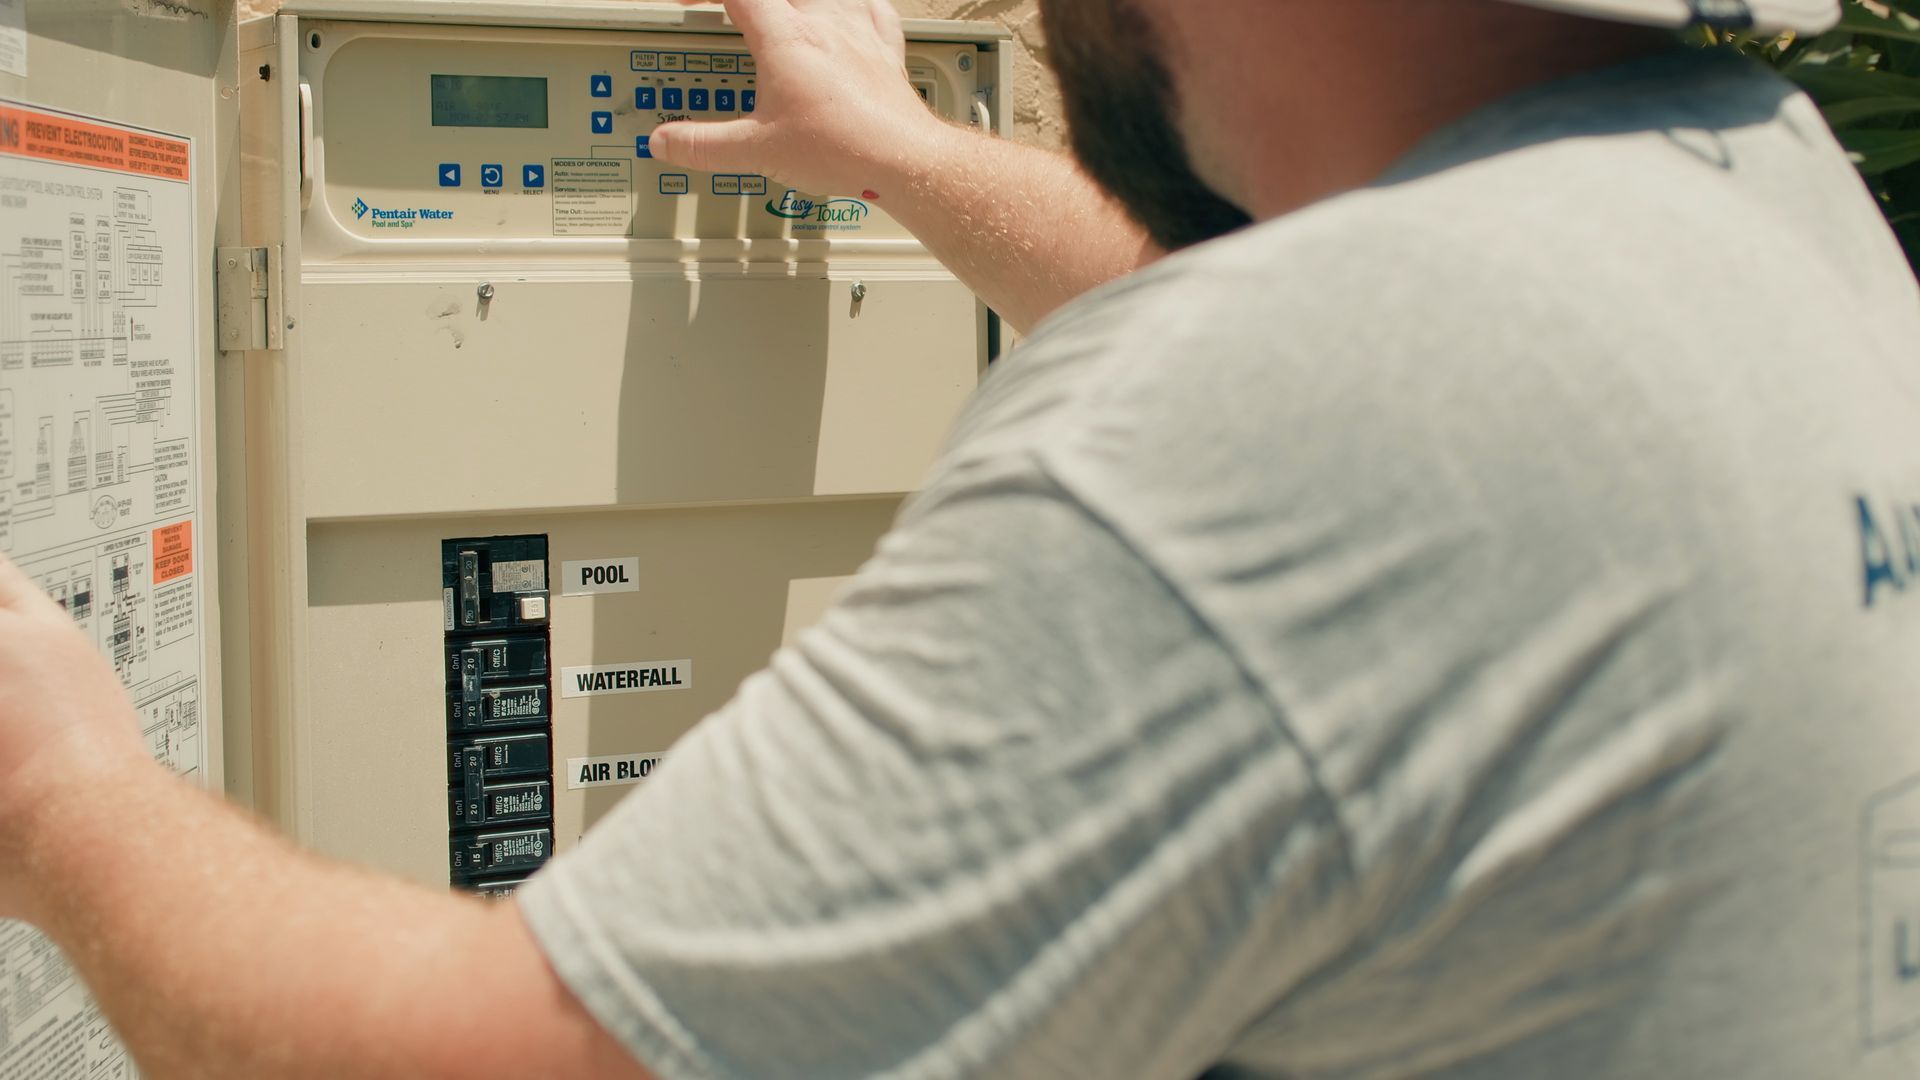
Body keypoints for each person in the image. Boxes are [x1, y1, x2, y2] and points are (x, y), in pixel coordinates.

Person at [1, 0, 1915, 1075]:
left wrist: (67, 791)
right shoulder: (1768, 207)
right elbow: (1387, 370)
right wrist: (908, 153)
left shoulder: (1282, 404)